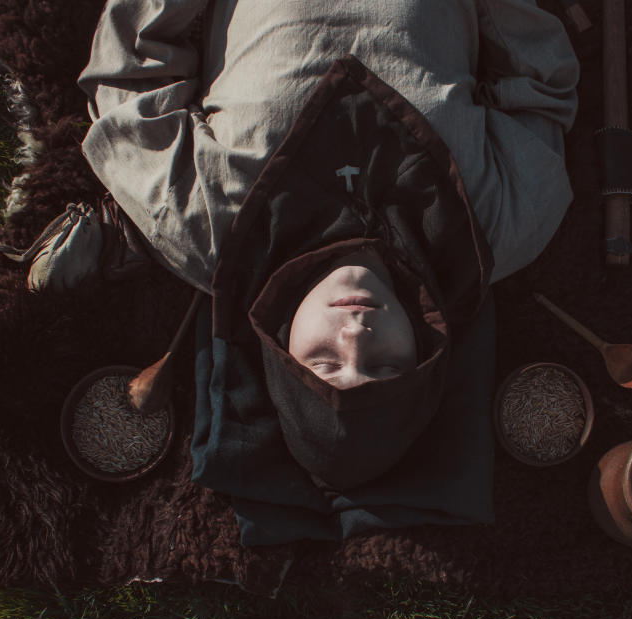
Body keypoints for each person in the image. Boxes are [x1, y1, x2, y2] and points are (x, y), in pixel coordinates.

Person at [78, 0, 579, 545]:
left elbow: (129, 77)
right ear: (427, 349)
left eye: (322, 362)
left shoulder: (207, 233)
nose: (356, 336)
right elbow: (541, 82)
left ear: (277, 347)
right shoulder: (502, 229)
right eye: (386, 365)